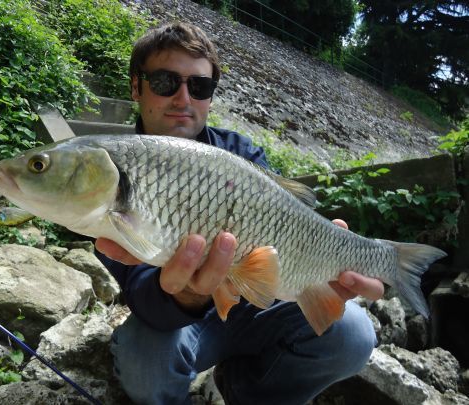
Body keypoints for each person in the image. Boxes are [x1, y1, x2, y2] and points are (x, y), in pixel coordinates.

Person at [94, 22, 383, 405]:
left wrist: (323, 257)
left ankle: (245, 389)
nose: (183, 98)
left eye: (199, 87)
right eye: (166, 82)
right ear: (137, 87)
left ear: (210, 96)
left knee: (353, 333)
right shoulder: (117, 174)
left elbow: (286, 232)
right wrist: (192, 295)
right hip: (182, 323)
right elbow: (145, 298)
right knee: (144, 365)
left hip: (255, 307)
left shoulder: (239, 154)